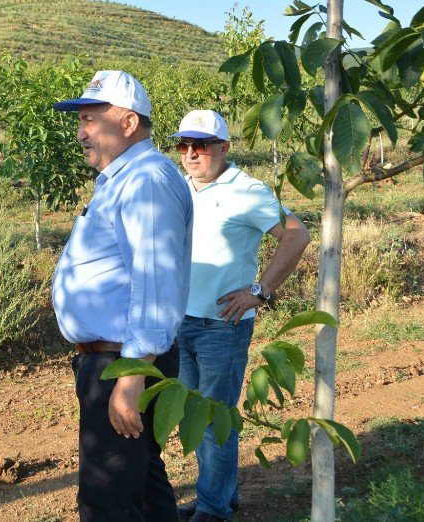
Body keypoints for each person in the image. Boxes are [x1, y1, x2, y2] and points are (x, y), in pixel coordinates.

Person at [51, 70, 193, 521]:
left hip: (124, 364)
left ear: (128, 123)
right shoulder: (124, 178)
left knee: (109, 500)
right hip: (115, 360)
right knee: (143, 486)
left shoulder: (145, 181)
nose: (81, 133)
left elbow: (155, 286)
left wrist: (130, 379)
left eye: (90, 120)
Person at [170, 110, 311, 522]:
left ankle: (213, 509)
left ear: (225, 147)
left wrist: (260, 291)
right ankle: (218, 496)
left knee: (216, 418)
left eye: (202, 145)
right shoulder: (179, 187)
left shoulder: (249, 191)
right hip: (180, 323)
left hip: (221, 327)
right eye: (184, 145)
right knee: (194, 416)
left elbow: (297, 235)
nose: (192, 153)